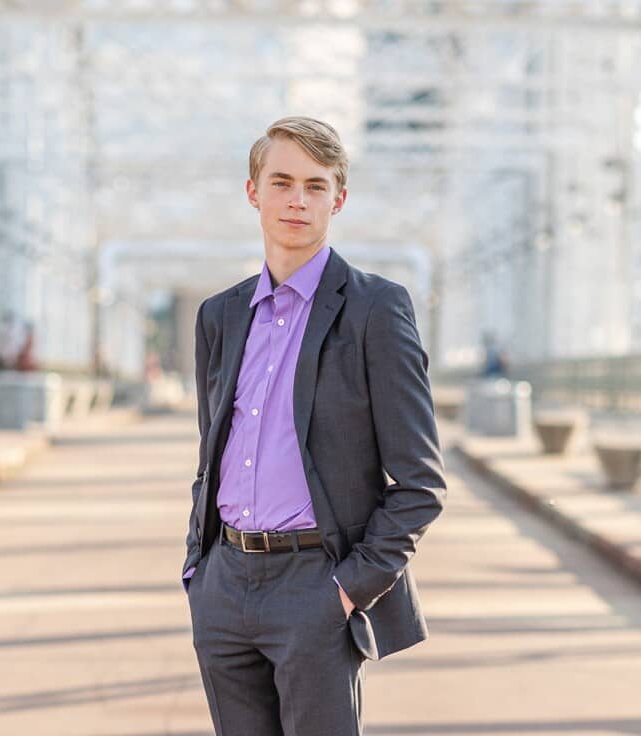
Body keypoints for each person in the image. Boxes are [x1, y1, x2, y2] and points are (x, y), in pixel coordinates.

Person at [182, 117, 445, 735]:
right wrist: (199, 570)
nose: (297, 200)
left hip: (315, 586)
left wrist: (347, 590)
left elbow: (420, 484)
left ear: (338, 199)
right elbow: (211, 455)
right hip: (224, 587)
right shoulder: (219, 315)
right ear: (254, 192)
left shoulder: (375, 308)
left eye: (315, 186)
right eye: (282, 182)